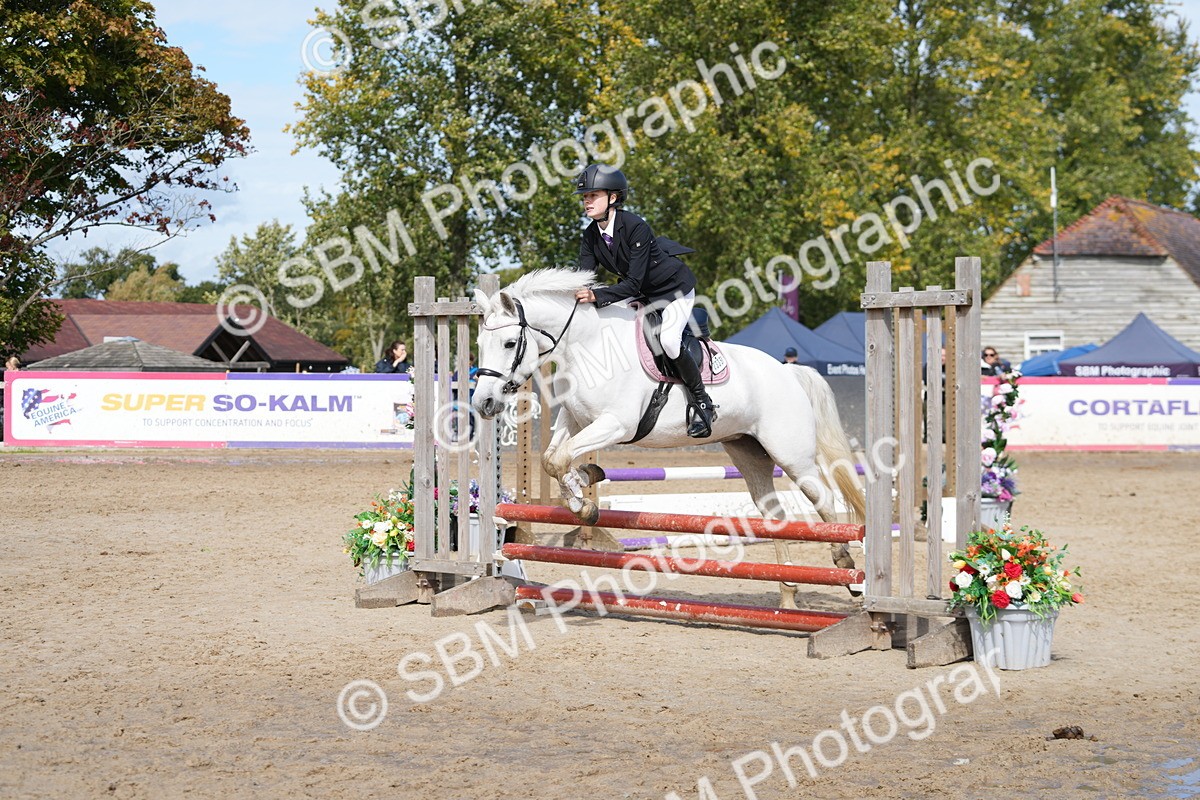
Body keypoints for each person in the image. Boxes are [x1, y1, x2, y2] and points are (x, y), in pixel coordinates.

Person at [571, 164, 716, 438]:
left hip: (673, 290)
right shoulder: (590, 235)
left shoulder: (635, 226)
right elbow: (586, 276)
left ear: (613, 198)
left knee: (670, 340)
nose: (587, 201)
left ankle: (702, 402)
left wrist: (598, 296)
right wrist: (576, 292)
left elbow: (633, 283)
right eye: (585, 197)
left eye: (593, 195)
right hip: (642, 293)